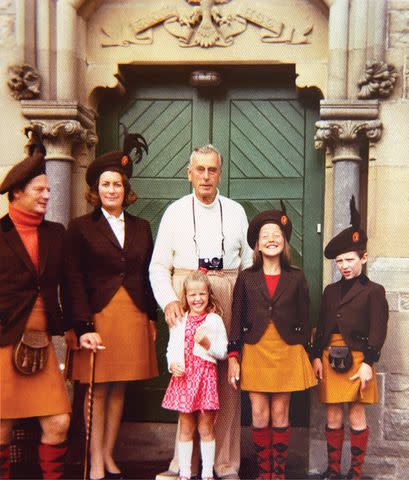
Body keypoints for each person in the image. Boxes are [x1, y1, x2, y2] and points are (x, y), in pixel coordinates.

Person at [149, 144, 253, 480]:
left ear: (219, 173)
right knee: (186, 380)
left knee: (224, 385)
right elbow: (158, 266)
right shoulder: (175, 212)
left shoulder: (236, 211)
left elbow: (249, 263)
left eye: (212, 170)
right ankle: (182, 466)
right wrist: (168, 300)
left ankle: (223, 464)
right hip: (188, 292)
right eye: (200, 170)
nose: (206, 177)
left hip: (226, 288)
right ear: (189, 173)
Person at [64, 133, 158, 480]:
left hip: (132, 313)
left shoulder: (142, 227)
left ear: (125, 188)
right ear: (95, 189)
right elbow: (72, 278)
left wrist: (151, 317)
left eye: (117, 184)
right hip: (98, 315)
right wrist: (81, 324)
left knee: (120, 386)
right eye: (105, 184)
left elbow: (148, 275)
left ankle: (108, 454)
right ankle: (94, 462)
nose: (112, 190)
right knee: (97, 387)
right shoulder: (80, 228)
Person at [0, 130, 73, 479]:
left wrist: (78, 327)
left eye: (48, 189)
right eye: (39, 190)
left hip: (41, 344)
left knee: (59, 421)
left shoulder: (56, 233)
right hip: (3, 341)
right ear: (17, 193)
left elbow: (71, 285)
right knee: (0, 425)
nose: (48, 194)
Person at [228, 206, 317, 480]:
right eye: (265, 235)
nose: (271, 239)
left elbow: (306, 315)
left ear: (284, 241)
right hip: (255, 349)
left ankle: (278, 472)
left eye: (276, 234)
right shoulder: (246, 277)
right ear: (257, 243)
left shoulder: (297, 276)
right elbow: (237, 315)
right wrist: (233, 355)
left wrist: (312, 355)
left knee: (281, 412)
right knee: (258, 412)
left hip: (287, 349)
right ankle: (264, 471)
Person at [312, 196, 388, 480]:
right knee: (333, 415)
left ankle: (355, 473)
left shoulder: (374, 291)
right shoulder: (330, 291)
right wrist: (315, 357)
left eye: (350, 260)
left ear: (363, 258)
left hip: (358, 359)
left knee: (356, 414)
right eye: (340, 261)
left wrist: (369, 362)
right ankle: (333, 471)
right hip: (330, 357)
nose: (344, 265)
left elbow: (378, 330)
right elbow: (322, 327)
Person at [162, 270, 228, 480]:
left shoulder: (214, 320)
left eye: (202, 294)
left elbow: (223, 351)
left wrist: (207, 344)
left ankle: (207, 472)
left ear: (208, 295)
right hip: (184, 378)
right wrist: (172, 364)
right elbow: (171, 347)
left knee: (206, 427)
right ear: (186, 296)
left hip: (205, 378)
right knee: (186, 427)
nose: (197, 299)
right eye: (192, 295)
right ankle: (185, 473)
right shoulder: (180, 320)